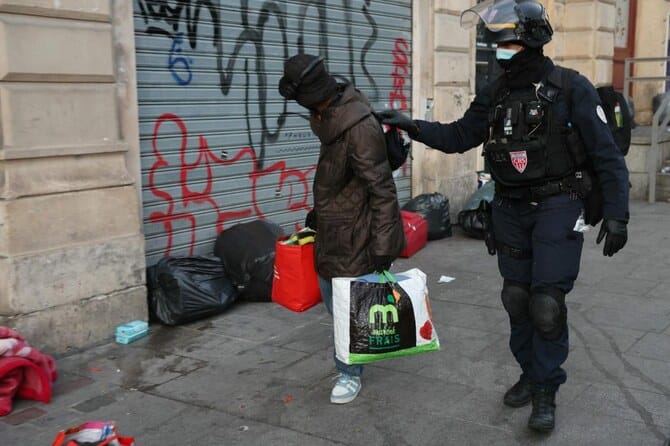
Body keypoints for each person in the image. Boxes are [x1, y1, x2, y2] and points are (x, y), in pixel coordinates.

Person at [378, 0, 629, 433]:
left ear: (531, 42)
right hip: (509, 207)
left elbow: (606, 154)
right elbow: (460, 135)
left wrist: (618, 213)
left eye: (509, 42)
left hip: (558, 204)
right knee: (516, 297)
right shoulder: (495, 92)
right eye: (498, 43)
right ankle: (530, 373)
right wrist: (411, 125)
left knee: (546, 305)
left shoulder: (572, 87)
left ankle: (546, 388)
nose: (502, 50)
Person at [278, 54, 406, 404]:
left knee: (346, 311)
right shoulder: (328, 115)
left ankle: (349, 374)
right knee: (336, 306)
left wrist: (383, 244)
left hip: (356, 236)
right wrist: (320, 213)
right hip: (334, 228)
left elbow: (382, 190)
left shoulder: (357, 128)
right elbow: (341, 178)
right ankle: (354, 358)